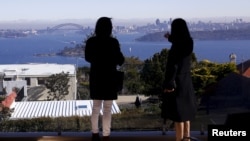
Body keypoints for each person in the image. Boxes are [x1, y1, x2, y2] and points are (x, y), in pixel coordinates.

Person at [84, 17, 125, 141]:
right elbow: (120, 60)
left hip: (96, 77)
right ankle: (106, 135)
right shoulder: (113, 42)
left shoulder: (91, 41)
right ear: (110, 28)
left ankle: (95, 134)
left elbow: (87, 58)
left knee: (96, 108)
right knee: (107, 109)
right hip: (110, 78)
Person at [162, 18, 197, 141]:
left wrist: (169, 84)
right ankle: (187, 139)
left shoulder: (176, 47)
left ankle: (179, 139)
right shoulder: (189, 42)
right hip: (187, 80)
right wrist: (170, 38)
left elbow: (173, 66)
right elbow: (180, 42)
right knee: (186, 113)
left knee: (179, 115)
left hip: (176, 81)